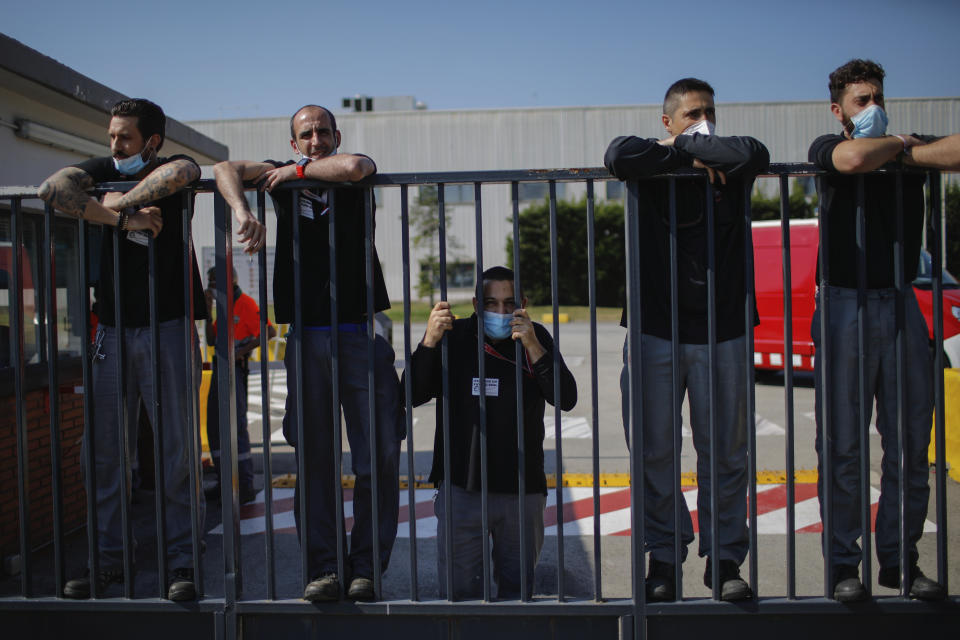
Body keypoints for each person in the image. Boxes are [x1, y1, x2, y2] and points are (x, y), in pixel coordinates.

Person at [212, 105, 401, 602]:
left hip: (362, 330)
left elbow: (355, 167)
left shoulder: (333, 169)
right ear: (293, 141)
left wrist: (292, 173)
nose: (315, 139)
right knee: (315, 460)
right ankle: (324, 570)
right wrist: (243, 210)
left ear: (335, 135)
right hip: (307, 334)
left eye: (322, 132)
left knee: (376, 456)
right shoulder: (277, 175)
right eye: (305, 135)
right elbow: (223, 170)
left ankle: (366, 568)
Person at [37, 98, 221, 601]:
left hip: (168, 327)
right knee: (103, 454)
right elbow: (52, 189)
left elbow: (187, 169)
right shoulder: (99, 170)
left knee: (177, 453)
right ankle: (109, 562)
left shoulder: (169, 170)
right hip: (111, 332)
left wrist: (113, 204)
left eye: (125, 138)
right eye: (112, 136)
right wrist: (124, 220)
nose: (114, 146)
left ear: (152, 142)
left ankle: (182, 561)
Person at [604, 78, 769, 602]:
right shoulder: (650, 157)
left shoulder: (735, 158)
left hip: (724, 327)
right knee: (654, 452)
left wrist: (696, 149)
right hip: (656, 327)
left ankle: (723, 562)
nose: (704, 122)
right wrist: (684, 154)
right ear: (668, 122)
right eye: (693, 115)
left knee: (725, 453)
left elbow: (754, 153)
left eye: (710, 114)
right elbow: (617, 155)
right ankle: (665, 558)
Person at [808, 59, 958, 602]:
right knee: (843, 446)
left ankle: (900, 560)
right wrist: (899, 145)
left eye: (876, 97)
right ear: (838, 109)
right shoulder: (826, 145)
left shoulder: (900, 148)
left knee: (910, 444)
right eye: (860, 101)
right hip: (843, 305)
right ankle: (845, 566)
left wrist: (899, 147)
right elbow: (849, 159)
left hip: (899, 303)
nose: (870, 108)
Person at [405, 266, 577, 599]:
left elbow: (566, 397)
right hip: (462, 488)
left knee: (517, 596)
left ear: (523, 303)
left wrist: (532, 344)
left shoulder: (535, 336)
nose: (499, 312)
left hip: (522, 490)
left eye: (508, 303)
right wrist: (428, 341)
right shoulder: (453, 336)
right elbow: (409, 395)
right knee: (458, 596)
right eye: (490, 303)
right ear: (475, 303)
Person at [204, 266, 276, 505]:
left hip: (236, 370)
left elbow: (269, 331)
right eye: (209, 281)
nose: (211, 284)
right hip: (220, 367)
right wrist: (208, 309)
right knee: (216, 424)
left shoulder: (244, 303)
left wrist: (240, 352)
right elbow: (213, 340)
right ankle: (225, 481)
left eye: (214, 280)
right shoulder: (224, 306)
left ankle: (244, 484)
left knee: (236, 425)